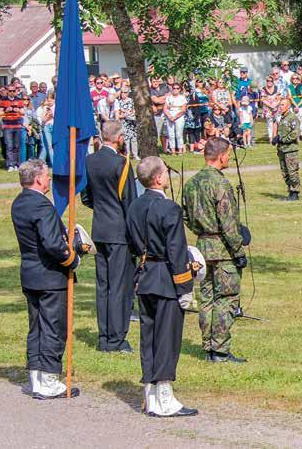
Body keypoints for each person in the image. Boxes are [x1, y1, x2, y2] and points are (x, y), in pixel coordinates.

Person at [126, 157, 199, 417]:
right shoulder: (168, 208)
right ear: (158, 178)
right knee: (167, 339)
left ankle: (150, 392)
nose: (168, 176)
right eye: (165, 173)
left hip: (144, 276)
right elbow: (177, 251)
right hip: (166, 278)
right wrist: (185, 287)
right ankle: (164, 395)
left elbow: (133, 243)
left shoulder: (134, 206)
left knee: (149, 338)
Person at [11, 159, 81, 399]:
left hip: (30, 273)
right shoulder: (42, 206)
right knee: (52, 327)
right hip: (49, 275)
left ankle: (36, 375)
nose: (50, 179)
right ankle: (49, 378)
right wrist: (72, 259)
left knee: (36, 327)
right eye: (47, 176)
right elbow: (52, 244)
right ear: (39, 178)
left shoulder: (19, 202)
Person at [183, 137, 247, 364]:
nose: (229, 157)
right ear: (221, 156)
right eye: (228, 154)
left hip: (202, 248)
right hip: (223, 249)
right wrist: (239, 250)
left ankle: (209, 346)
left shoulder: (191, 183)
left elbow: (186, 216)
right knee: (226, 298)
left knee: (206, 297)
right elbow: (228, 222)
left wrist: (202, 230)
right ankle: (220, 349)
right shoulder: (221, 184)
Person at [81, 121, 137, 353]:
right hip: (119, 231)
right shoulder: (121, 163)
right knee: (119, 287)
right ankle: (116, 338)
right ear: (119, 137)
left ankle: (104, 336)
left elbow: (86, 198)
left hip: (99, 229)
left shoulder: (89, 161)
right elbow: (130, 202)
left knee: (103, 286)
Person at [272, 98, 301, 201]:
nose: (280, 107)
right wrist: (276, 139)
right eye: (280, 105)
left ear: (288, 106)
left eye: (283, 105)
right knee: (285, 172)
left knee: (292, 171)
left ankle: (295, 192)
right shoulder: (282, 118)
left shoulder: (292, 118)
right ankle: (290, 191)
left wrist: (283, 139)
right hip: (282, 150)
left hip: (290, 150)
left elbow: (295, 133)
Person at [0, 85, 25, 171]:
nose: (12, 92)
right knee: (9, 146)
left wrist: (18, 110)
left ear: (16, 91)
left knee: (16, 146)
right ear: (7, 91)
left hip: (17, 125)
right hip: (7, 126)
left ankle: (17, 164)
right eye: (10, 91)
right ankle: (10, 165)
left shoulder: (19, 100)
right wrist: (6, 110)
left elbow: (23, 112)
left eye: (13, 91)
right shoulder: (3, 100)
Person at [164, 83, 188, 155]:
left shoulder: (182, 98)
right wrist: (169, 116)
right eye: (174, 88)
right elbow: (165, 108)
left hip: (179, 116)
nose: (175, 90)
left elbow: (183, 109)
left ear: (180, 89)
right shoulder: (169, 97)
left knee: (179, 134)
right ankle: (173, 150)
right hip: (170, 115)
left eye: (177, 88)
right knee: (171, 134)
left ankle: (180, 150)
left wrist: (175, 117)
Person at [150, 77, 170, 153]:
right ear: (151, 82)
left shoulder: (164, 87)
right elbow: (156, 100)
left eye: (156, 81)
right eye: (153, 81)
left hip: (166, 113)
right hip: (157, 114)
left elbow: (170, 97)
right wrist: (165, 97)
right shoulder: (150, 90)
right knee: (156, 133)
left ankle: (165, 149)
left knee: (165, 133)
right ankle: (154, 149)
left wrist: (160, 99)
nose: (155, 83)